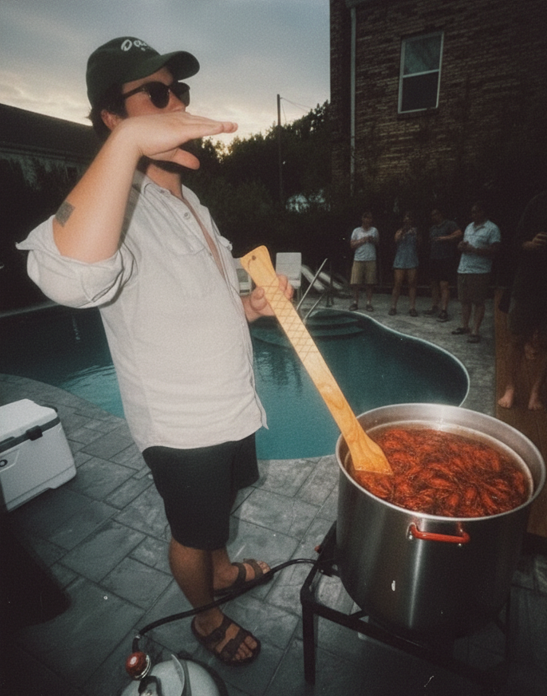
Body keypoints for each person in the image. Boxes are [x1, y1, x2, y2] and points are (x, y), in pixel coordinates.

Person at [16, 36, 293, 666]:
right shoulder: (115, 210)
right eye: (158, 94)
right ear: (112, 116)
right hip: (183, 425)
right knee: (191, 534)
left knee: (218, 515)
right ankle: (207, 616)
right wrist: (125, 148)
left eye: (180, 91)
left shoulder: (190, 201)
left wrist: (250, 306)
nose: (178, 105)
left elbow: (211, 295)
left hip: (231, 405)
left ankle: (222, 572)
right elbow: (67, 277)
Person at [498, 138, 547, 410]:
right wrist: (530, 244)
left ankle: (536, 392)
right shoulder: (538, 202)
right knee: (517, 338)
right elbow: (516, 241)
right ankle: (510, 388)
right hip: (529, 282)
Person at [451, 202, 501, 343]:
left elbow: (495, 250)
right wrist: (461, 246)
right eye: (472, 212)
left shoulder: (492, 229)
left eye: (475, 212)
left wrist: (475, 250)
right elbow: (465, 244)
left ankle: (475, 331)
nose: (472, 215)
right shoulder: (469, 227)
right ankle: (464, 326)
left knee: (478, 301)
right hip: (464, 268)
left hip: (480, 270)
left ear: (483, 212)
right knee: (464, 300)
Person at [423, 208, 462, 322]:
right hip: (434, 258)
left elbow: (459, 233)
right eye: (431, 215)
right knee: (433, 283)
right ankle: (434, 305)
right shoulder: (432, 228)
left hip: (446, 259)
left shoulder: (449, 224)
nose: (433, 217)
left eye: (435, 214)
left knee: (444, 285)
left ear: (440, 214)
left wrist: (445, 238)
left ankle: (444, 310)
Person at [389, 211, 420, 316]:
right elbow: (396, 240)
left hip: (412, 259)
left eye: (409, 218)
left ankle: (412, 307)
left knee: (412, 284)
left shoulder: (415, 231)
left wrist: (415, 234)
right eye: (406, 218)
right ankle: (393, 307)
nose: (407, 220)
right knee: (397, 284)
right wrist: (403, 232)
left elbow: (419, 243)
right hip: (400, 260)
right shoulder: (399, 231)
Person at [349, 211, 379, 311]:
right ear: (362, 219)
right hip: (358, 259)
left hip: (371, 259)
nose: (367, 220)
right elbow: (352, 245)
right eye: (366, 218)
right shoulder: (356, 231)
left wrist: (372, 240)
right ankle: (355, 302)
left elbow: (377, 243)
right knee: (355, 283)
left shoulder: (374, 230)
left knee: (370, 283)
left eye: (369, 218)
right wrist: (362, 240)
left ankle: (368, 303)